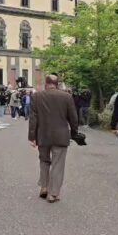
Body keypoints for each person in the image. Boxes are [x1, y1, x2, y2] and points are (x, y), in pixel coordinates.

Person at [28, 75, 78, 203]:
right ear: (57, 83)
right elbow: (73, 117)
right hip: (61, 135)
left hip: (43, 135)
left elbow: (33, 119)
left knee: (44, 161)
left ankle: (44, 187)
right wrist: (74, 132)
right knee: (58, 164)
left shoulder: (36, 96)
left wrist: (32, 137)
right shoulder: (66, 97)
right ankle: (54, 193)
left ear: (46, 83)